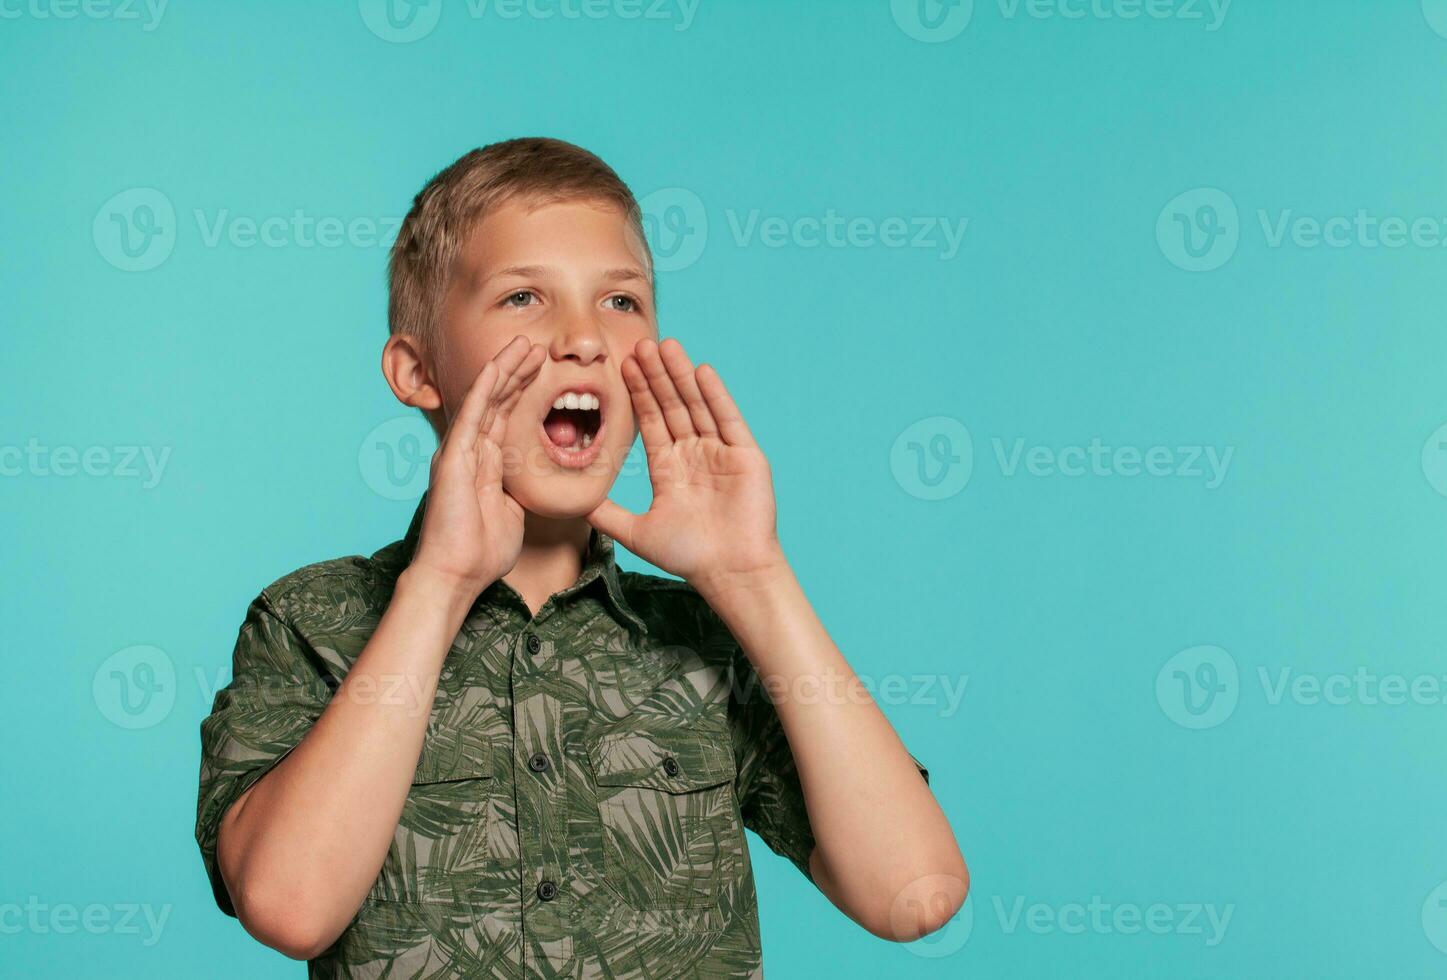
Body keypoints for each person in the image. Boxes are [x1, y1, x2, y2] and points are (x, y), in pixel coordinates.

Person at [194, 136, 968, 978]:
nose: (584, 339)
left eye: (622, 302)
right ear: (418, 371)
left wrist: (754, 579)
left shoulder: (705, 641)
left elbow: (916, 893)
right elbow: (288, 907)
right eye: (524, 296)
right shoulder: (312, 624)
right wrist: (441, 585)